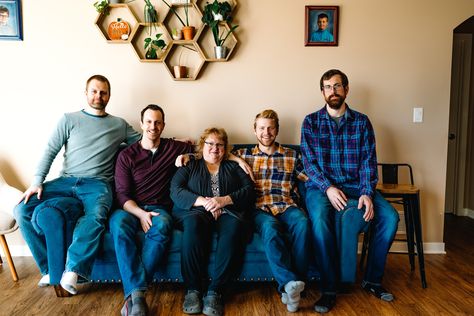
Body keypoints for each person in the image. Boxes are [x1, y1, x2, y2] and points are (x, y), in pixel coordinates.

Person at [14, 74, 141, 295]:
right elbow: (49, 151)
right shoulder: (68, 119)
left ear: (109, 96)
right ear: (86, 93)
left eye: (103, 92)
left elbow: (146, 141)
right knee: (21, 208)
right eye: (94, 91)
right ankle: (48, 269)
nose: (98, 96)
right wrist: (37, 182)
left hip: (98, 185)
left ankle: (73, 270)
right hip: (66, 180)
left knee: (95, 216)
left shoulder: (119, 125)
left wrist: (179, 146)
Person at [300, 69, 399, 313]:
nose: (332, 91)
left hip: (357, 186)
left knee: (390, 217)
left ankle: (372, 280)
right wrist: (329, 188)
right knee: (320, 220)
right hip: (320, 188)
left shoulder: (362, 122)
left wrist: (366, 191)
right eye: (327, 87)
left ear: (346, 89)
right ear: (322, 92)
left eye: (337, 86)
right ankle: (329, 289)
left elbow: (368, 160)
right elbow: (309, 164)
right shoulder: (310, 122)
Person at [111, 104, 194, 316]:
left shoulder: (174, 148)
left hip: (159, 208)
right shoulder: (127, 155)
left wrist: (190, 156)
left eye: (157, 122)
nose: (153, 126)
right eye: (148, 121)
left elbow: (209, 150)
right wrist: (140, 213)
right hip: (130, 208)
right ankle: (137, 294)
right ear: (141, 124)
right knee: (119, 227)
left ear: (163, 125)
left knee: (164, 225)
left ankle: (135, 296)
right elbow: (121, 194)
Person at [170, 127, 255, 316]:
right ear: (202, 145)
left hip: (228, 212)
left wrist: (223, 201)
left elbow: (249, 190)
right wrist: (206, 203)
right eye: (210, 143)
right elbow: (176, 190)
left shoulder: (234, 166)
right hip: (196, 211)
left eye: (219, 145)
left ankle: (215, 291)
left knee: (234, 228)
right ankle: (193, 289)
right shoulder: (190, 164)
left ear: (225, 148)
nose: (214, 148)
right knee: (192, 226)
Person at [233, 109, 310, 313]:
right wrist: (237, 160)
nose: (266, 132)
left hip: (287, 205)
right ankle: (289, 283)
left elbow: (311, 178)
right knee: (270, 228)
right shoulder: (243, 154)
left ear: (277, 130)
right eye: (261, 128)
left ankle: (296, 287)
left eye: (270, 128)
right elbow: (212, 153)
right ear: (254, 129)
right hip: (259, 208)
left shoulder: (292, 156)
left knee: (302, 223)